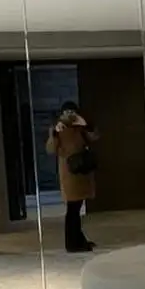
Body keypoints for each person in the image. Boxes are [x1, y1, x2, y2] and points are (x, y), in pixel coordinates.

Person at [46, 99, 99, 252]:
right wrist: (55, 133)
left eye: (72, 112)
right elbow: (50, 149)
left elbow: (94, 137)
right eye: (67, 112)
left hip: (82, 172)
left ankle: (78, 240)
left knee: (76, 209)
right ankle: (72, 243)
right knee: (72, 210)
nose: (70, 115)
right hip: (70, 173)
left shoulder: (79, 125)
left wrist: (86, 125)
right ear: (62, 113)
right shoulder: (58, 128)